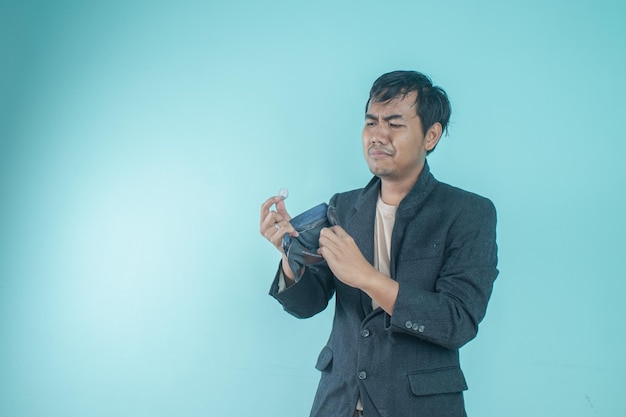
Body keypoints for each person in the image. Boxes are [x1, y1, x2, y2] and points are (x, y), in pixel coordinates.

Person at [259, 70, 499, 417]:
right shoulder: (343, 206)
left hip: (418, 407)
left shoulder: (469, 212)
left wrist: (367, 277)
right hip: (338, 402)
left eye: (395, 124)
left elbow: (458, 320)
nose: (378, 135)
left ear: (431, 135)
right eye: (371, 123)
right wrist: (289, 254)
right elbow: (308, 304)